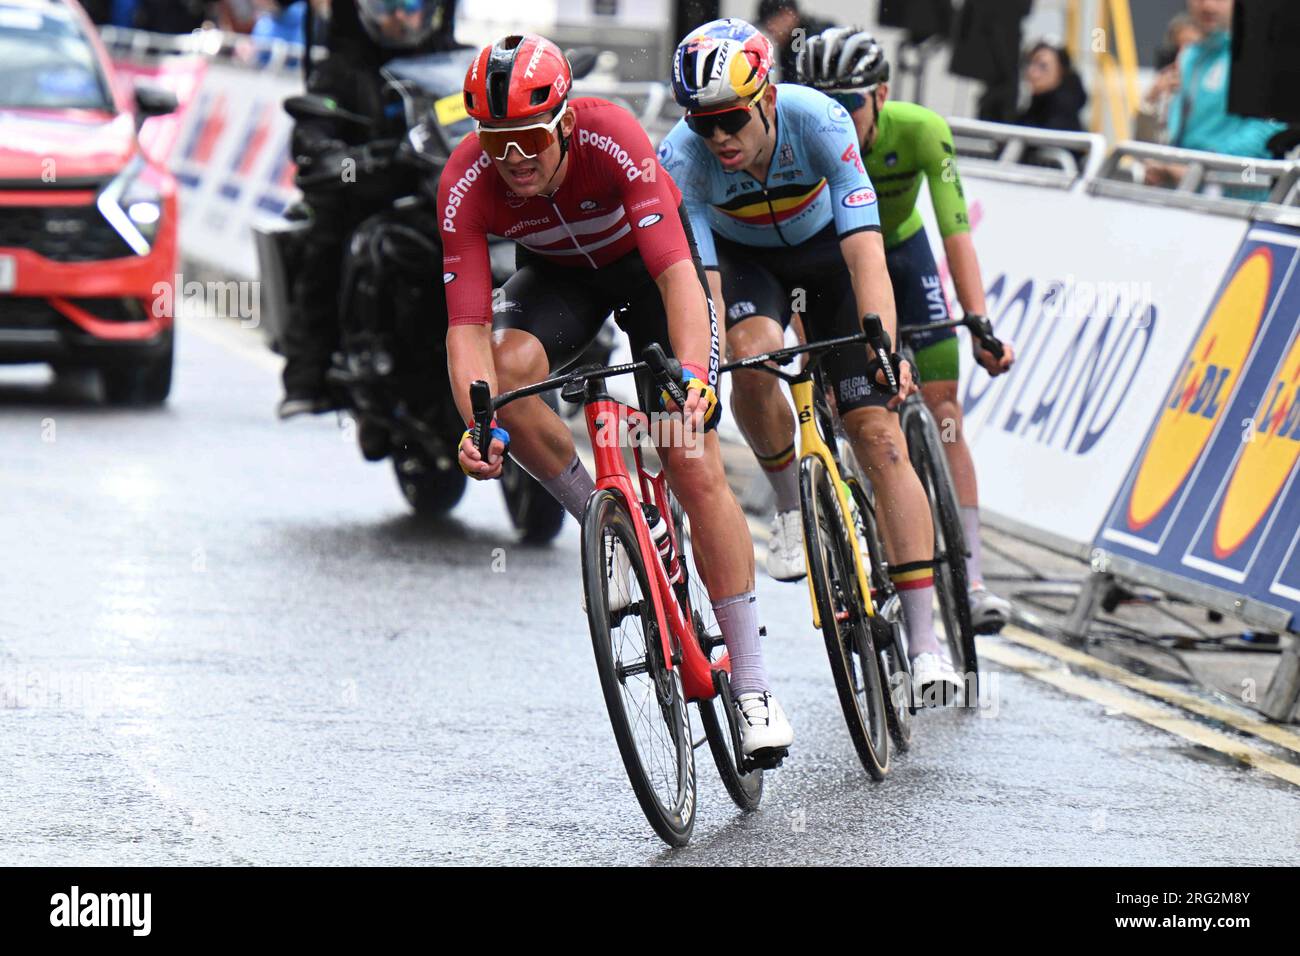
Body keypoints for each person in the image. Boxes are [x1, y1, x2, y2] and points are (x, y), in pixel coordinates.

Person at [442, 34, 794, 758]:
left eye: (530, 139)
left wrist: (694, 378)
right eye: (496, 142)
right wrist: (476, 425)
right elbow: (468, 328)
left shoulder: (614, 137)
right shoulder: (465, 181)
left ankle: (754, 688)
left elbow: (674, 276)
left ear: (565, 123)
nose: (514, 161)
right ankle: (610, 533)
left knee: (689, 459)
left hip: (648, 274)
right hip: (562, 282)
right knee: (505, 375)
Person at [659, 18, 961, 698]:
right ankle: (791, 505)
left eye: (731, 119)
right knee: (753, 353)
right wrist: (703, 374)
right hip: (745, 265)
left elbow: (864, 250)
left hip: (828, 254)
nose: (718, 138)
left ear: (767, 97)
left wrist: (880, 338)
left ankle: (925, 642)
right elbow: (704, 291)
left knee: (880, 436)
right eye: (702, 124)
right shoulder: (683, 159)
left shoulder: (820, 120)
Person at [795, 27, 1017, 635]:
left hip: (901, 254)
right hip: (835, 265)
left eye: (852, 105)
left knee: (944, 408)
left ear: (883, 94)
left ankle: (970, 582)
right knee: (859, 414)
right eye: (824, 103)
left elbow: (955, 233)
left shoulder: (921, 130)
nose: (836, 118)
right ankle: (874, 541)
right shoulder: (802, 141)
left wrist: (980, 323)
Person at [278, 0, 458, 418]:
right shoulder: (340, 70)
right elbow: (313, 136)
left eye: (411, 4)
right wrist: (339, 162)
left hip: (443, 192)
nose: (399, 16)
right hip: (369, 188)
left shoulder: (460, 63)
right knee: (328, 238)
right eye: (385, 5)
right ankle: (308, 374)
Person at [1144, 0, 1285, 186]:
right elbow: (1174, 133)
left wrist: (1204, 168)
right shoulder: (1188, 57)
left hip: (1237, 199)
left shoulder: (1264, 55)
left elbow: (1268, 128)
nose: (1208, 6)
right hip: (1185, 195)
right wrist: (1148, 106)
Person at [1136, 14, 1202, 143]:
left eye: (1191, 47)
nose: (1184, 54)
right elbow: (1141, 140)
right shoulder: (1163, 83)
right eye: (1178, 47)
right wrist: (1151, 99)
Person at [1014, 42, 1085, 133]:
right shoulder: (1032, 108)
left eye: (1042, 66)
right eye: (1030, 63)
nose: (1031, 72)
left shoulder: (1062, 117)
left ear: (1060, 71)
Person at [754, 0, 830, 83]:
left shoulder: (811, 39)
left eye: (771, 23)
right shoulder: (789, 43)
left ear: (787, 16)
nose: (769, 29)